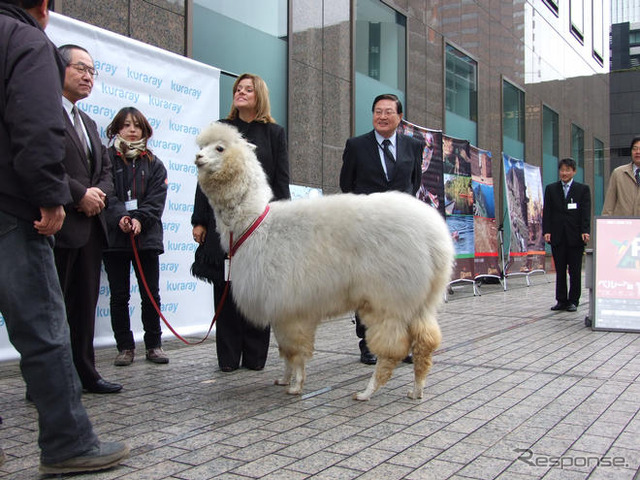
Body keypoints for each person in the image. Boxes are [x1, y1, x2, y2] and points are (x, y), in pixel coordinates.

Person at [0, 0, 128, 473]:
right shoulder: (26, 40)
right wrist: (52, 195)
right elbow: (35, 129)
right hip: (16, 212)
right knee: (46, 331)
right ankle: (68, 443)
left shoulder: (93, 125)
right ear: (44, 7)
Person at [191, 73, 290, 372]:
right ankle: (229, 359)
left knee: (257, 291)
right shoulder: (221, 129)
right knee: (226, 288)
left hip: (259, 225)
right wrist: (199, 220)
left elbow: (281, 180)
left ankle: (256, 357)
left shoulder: (274, 134)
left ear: (259, 95)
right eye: (238, 89)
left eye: (248, 89)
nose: (241, 93)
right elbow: (204, 175)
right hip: (222, 223)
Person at [54, 44, 122, 393]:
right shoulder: (44, 113)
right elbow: (42, 164)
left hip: (92, 231)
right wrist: (79, 194)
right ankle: (47, 383)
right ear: (58, 69)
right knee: (54, 310)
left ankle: (87, 373)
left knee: (84, 307)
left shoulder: (90, 123)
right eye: (80, 68)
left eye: (92, 71)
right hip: (58, 227)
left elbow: (107, 171)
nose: (87, 76)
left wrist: (98, 194)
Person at [340, 93, 424, 365]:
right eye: (378, 111)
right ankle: (368, 344)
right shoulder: (356, 145)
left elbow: (414, 182)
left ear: (400, 117)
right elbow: (346, 184)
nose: (383, 116)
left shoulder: (413, 146)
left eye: (389, 111)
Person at [103, 107, 169, 366]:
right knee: (119, 296)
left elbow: (156, 199)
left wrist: (141, 219)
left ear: (144, 130)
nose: (132, 130)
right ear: (117, 129)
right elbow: (106, 193)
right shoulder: (106, 159)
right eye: (126, 125)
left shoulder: (154, 163)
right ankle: (125, 347)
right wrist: (121, 217)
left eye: (137, 125)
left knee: (150, 294)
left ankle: (154, 345)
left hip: (147, 239)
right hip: (115, 240)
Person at [542, 158, 591, 313]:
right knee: (560, 270)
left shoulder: (582, 189)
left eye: (568, 170)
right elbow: (547, 212)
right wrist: (547, 231)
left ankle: (573, 301)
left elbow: (585, 212)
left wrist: (585, 230)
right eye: (562, 170)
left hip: (575, 236)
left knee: (575, 270)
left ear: (574, 171)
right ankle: (561, 300)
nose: (564, 173)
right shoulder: (551, 189)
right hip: (557, 236)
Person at [602, 136, 640, 216]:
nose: (637, 152)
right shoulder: (618, 173)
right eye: (635, 149)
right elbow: (609, 205)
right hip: (622, 225)